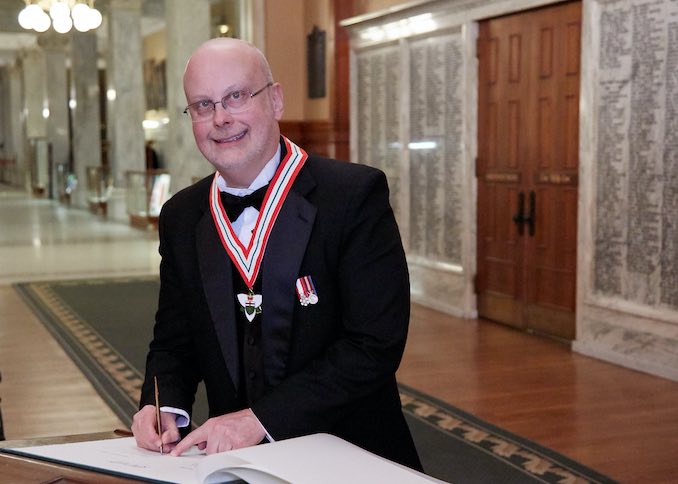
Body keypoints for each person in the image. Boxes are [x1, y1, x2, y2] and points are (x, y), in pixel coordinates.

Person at [131, 37, 422, 471]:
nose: (221, 118)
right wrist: (164, 403)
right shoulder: (181, 215)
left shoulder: (352, 196)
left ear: (277, 99)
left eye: (236, 96)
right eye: (203, 105)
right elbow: (174, 340)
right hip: (233, 464)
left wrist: (260, 420)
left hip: (350, 454)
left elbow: (372, 345)